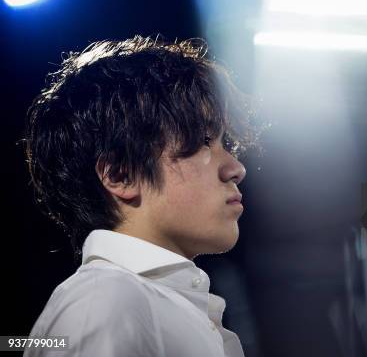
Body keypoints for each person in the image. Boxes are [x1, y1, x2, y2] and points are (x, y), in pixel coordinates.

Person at [23, 35, 258, 356]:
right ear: (120, 175)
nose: (236, 167)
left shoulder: (143, 301)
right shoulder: (105, 304)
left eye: (225, 145)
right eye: (203, 140)